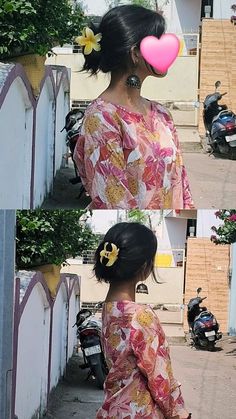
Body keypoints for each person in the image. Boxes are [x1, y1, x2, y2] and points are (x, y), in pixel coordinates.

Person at [73, 5, 194, 210]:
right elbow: (112, 200)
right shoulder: (102, 119)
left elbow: (181, 183)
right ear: (135, 53)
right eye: (156, 42)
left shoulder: (162, 115)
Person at [93, 222, 191, 419]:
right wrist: (179, 414)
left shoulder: (108, 310)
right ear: (145, 266)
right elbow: (160, 379)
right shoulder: (141, 316)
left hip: (113, 409)